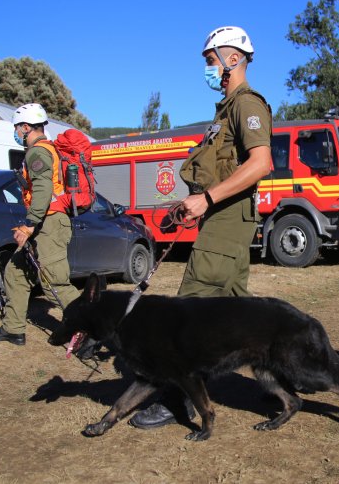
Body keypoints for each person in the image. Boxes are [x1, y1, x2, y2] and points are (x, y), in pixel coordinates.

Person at [128, 25, 272, 429]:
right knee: (238, 317)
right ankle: (280, 378)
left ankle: (177, 400)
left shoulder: (247, 105)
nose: (208, 69)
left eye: (211, 61)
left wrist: (207, 199)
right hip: (221, 219)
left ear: (233, 59)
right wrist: (196, 203)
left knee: (186, 316)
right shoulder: (225, 110)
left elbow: (261, 163)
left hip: (226, 222)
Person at [0, 103, 81, 345]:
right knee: (16, 273)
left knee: (54, 283)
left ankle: (93, 329)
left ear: (25, 127)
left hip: (48, 223)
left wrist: (29, 225)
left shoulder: (37, 152)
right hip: (43, 222)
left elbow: (43, 191)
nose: (16, 132)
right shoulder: (43, 150)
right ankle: (13, 329)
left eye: (17, 127)